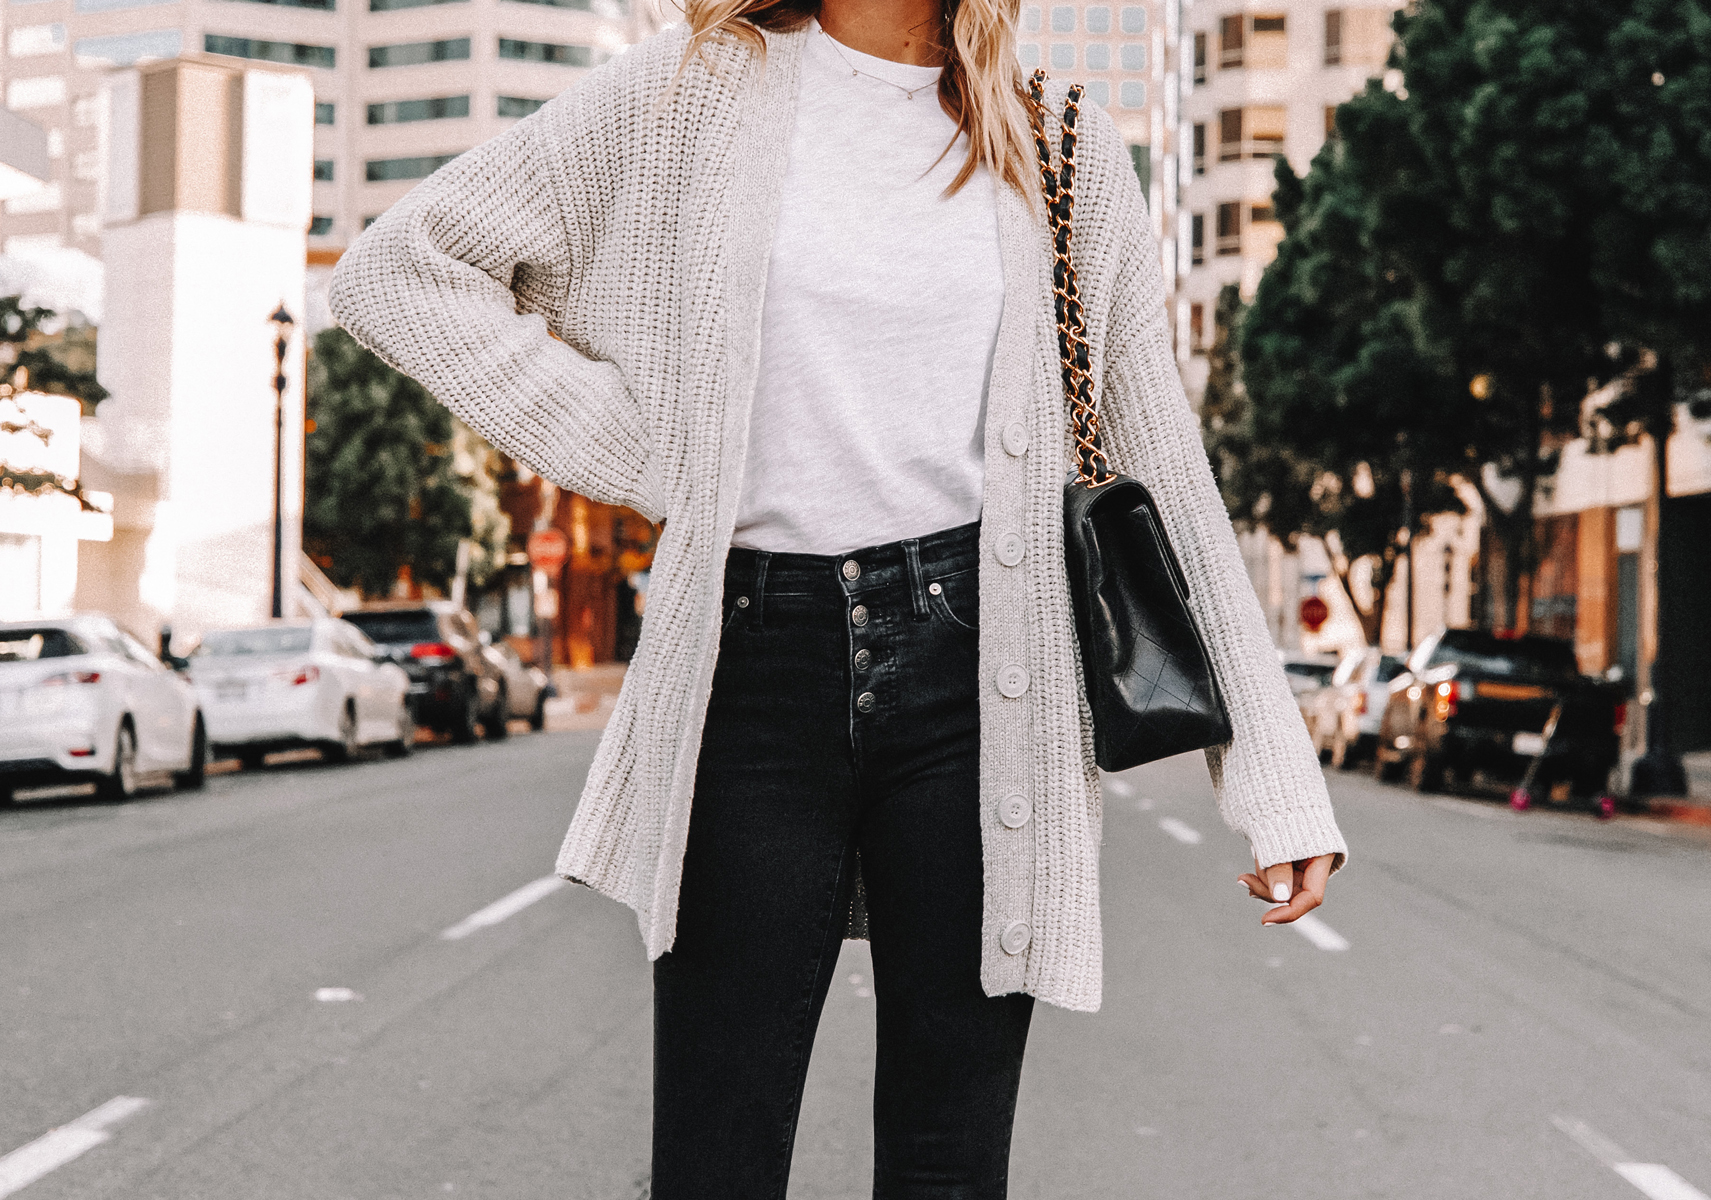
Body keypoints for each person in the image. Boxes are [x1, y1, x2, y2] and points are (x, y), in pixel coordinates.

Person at [329, 0, 1348, 1193]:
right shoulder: (688, 92)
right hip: (754, 664)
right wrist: (653, 456)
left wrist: (1274, 781)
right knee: (717, 1154)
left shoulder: (1058, 136)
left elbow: (1157, 456)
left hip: (986, 678)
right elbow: (397, 273)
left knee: (948, 1161)